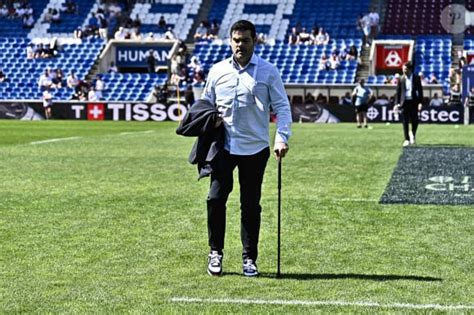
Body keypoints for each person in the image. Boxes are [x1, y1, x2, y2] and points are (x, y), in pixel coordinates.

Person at [200, 20, 292, 277]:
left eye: (246, 40)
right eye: (236, 40)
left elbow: (282, 108)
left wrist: (281, 138)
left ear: (255, 41)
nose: (240, 45)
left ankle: (249, 258)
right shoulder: (217, 71)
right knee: (215, 199)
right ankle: (215, 252)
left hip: (255, 147)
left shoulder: (268, 71)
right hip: (224, 147)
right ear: (230, 41)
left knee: (250, 204)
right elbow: (205, 104)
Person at [394, 61, 424, 146]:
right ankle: (406, 139)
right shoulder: (401, 79)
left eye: (406, 69)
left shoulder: (416, 78)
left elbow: (420, 91)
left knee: (415, 120)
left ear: (410, 70)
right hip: (404, 103)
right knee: (405, 121)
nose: (404, 71)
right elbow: (398, 92)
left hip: (413, 102)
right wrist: (396, 103)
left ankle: (412, 134)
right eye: (403, 69)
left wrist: (420, 102)